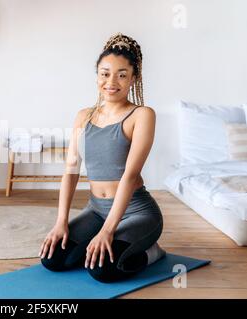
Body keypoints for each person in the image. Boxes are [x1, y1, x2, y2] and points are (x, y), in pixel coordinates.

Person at [39, 33, 166, 283]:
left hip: (137, 212)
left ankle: (153, 252)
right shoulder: (83, 116)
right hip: (96, 210)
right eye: (105, 73)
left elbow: (130, 177)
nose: (112, 81)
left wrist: (107, 231)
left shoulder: (142, 115)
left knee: (102, 270)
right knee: (53, 259)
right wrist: (61, 222)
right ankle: (98, 240)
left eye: (121, 74)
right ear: (97, 75)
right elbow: (71, 171)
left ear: (133, 78)